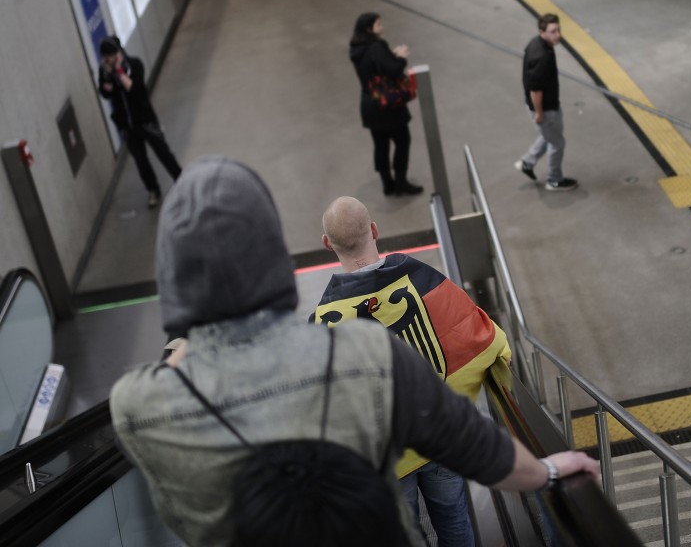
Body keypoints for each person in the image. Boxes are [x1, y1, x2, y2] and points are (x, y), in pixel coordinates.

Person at [109, 156, 598, 547]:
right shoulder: (354, 355)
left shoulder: (137, 407)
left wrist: (188, 333)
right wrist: (549, 469)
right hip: (410, 472)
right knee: (450, 519)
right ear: (274, 260)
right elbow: (470, 440)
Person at [310, 196, 514, 546]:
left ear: (327, 244)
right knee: (453, 519)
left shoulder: (322, 322)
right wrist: (500, 353)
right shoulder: (422, 280)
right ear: (375, 230)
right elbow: (476, 333)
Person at [98, 36, 182, 208]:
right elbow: (105, 92)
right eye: (105, 57)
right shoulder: (104, 71)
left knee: (163, 152)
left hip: (145, 119)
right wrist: (107, 79)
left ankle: (182, 181)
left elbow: (133, 89)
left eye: (111, 56)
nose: (107, 60)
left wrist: (119, 73)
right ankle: (153, 190)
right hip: (127, 125)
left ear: (119, 53)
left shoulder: (135, 65)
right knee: (140, 161)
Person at [349, 13, 423, 197]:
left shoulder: (357, 49)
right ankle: (401, 182)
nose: (382, 27)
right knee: (402, 141)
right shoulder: (376, 46)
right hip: (388, 108)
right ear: (369, 29)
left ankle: (387, 184)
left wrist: (391, 56)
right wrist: (401, 57)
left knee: (380, 145)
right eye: (378, 24)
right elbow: (393, 70)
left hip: (369, 105)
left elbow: (376, 68)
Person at [514, 13, 578, 191]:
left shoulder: (538, 43)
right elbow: (536, 89)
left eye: (558, 30)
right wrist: (539, 112)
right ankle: (554, 180)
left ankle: (528, 162)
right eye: (553, 31)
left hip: (550, 105)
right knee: (558, 143)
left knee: (550, 135)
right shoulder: (541, 55)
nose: (558, 34)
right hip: (545, 109)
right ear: (542, 32)